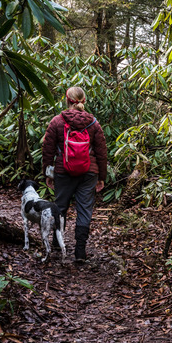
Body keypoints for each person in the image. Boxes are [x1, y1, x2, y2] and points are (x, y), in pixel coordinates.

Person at [42, 86, 107, 263]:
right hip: (89, 173)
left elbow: (47, 149)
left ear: (67, 100)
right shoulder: (94, 123)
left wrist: (48, 173)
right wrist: (101, 177)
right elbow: (101, 152)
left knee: (61, 206)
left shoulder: (57, 121)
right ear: (83, 101)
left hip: (64, 171)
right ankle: (80, 251)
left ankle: (57, 243)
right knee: (85, 210)